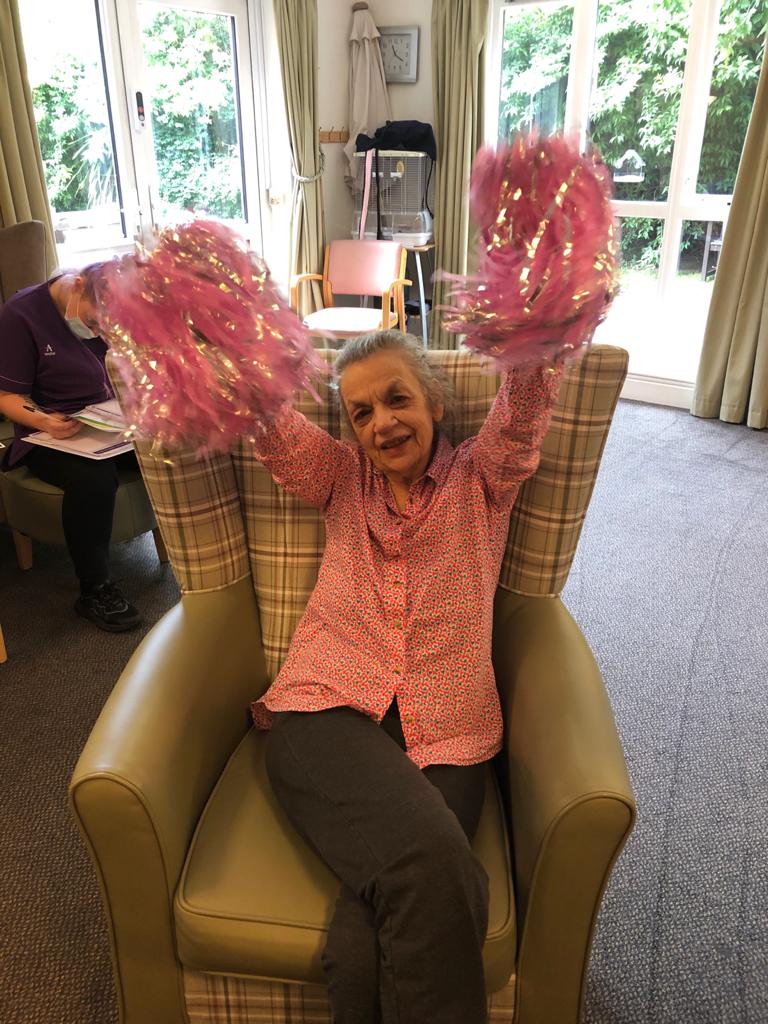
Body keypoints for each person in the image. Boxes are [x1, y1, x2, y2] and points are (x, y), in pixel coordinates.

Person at [250, 329, 564, 1024]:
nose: (382, 422)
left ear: (435, 401)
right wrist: (218, 341)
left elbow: (524, 406)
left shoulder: (482, 478)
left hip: (449, 735)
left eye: (397, 399)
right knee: (439, 868)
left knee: (362, 948)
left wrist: (538, 326)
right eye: (361, 412)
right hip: (322, 715)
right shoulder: (338, 478)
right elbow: (269, 423)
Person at [0, 265, 141, 631]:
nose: (96, 333)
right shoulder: (21, 315)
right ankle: (95, 589)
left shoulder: (107, 306)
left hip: (107, 420)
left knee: (169, 449)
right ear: (78, 286)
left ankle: (195, 553)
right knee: (94, 478)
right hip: (48, 434)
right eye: (94, 323)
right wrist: (45, 421)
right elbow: (8, 396)